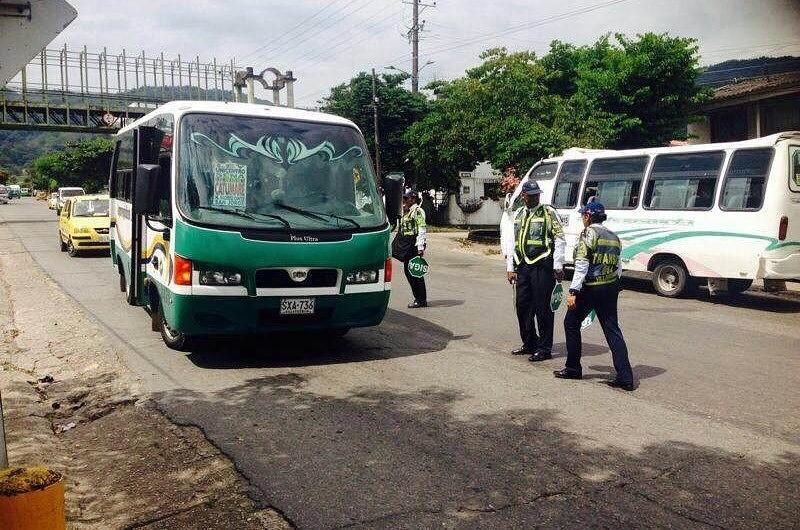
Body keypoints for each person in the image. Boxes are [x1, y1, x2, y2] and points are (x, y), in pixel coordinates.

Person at [554, 200, 635, 391]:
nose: (582, 218)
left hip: (591, 288)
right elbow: (618, 267)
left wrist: (573, 291)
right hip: (610, 288)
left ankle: (573, 368)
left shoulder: (589, 233)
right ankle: (626, 377)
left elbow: (581, 264)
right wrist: (614, 285)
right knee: (612, 329)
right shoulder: (614, 237)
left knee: (571, 323)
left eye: (583, 215)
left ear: (588, 216)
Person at [504, 180, 565, 362]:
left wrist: (558, 265)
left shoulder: (548, 212)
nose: (534, 197)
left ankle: (544, 348)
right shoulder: (519, 213)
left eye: (537, 195)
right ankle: (529, 342)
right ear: (523, 196)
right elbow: (511, 241)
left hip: (542, 266)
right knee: (522, 307)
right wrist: (510, 267)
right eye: (531, 195)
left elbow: (560, 238)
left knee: (543, 309)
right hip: (522, 266)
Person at [392, 190, 428, 308]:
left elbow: (422, 228)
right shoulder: (407, 212)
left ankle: (421, 299)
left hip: (413, 245)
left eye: (406, 199)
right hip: (407, 245)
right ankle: (418, 298)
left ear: (413, 199)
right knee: (409, 272)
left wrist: (420, 246)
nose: (404, 201)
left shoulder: (417, 211)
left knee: (415, 273)